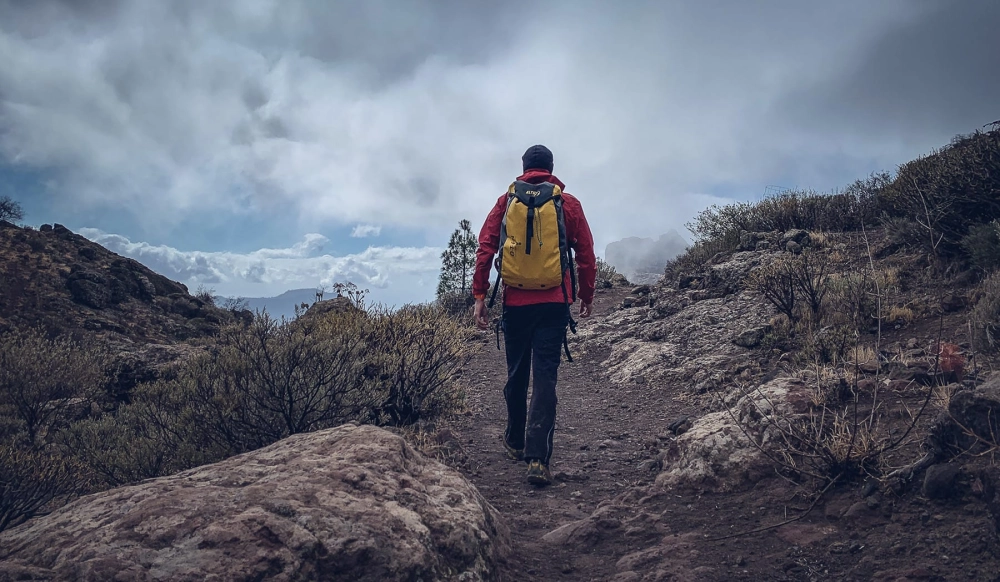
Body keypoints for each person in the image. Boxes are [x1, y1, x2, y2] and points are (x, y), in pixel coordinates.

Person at [472, 144, 596, 486]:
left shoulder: (506, 201)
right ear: (551, 168)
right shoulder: (567, 204)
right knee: (545, 377)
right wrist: (586, 294)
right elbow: (586, 253)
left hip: (515, 303)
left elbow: (485, 248)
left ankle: (513, 440)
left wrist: (480, 295)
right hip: (554, 304)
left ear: (524, 168)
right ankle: (538, 459)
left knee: (516, 372)